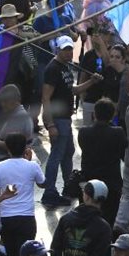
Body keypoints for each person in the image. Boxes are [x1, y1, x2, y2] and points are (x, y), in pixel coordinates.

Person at [41, 37, 101, 208]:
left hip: (65, 119)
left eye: (70, 49)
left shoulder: (65, 67)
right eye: (65, 49)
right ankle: (49, 192)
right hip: (58, 119)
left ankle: (69, 187)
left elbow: (72, 90)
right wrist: (50, 124)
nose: (68, 52)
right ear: (57, 50)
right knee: (56, 155)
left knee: (68, 152)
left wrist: (91, 81)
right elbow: (46, 97)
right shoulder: (52, 69)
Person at [0, 133, 44, 256]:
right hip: (26, 217)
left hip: (6, 217)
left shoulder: (0, 167)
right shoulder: (32, 166)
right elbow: (42, 183)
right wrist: (31, 161)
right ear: (25, 147)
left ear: (7, 149)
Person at [76, 99, 127, 227]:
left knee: (86, 219)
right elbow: (123, 154)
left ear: (94, 114)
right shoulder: (118, 132)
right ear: (113, 114)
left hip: (89, 180)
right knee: (108, 219)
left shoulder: (83, 132)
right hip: (111, 182)